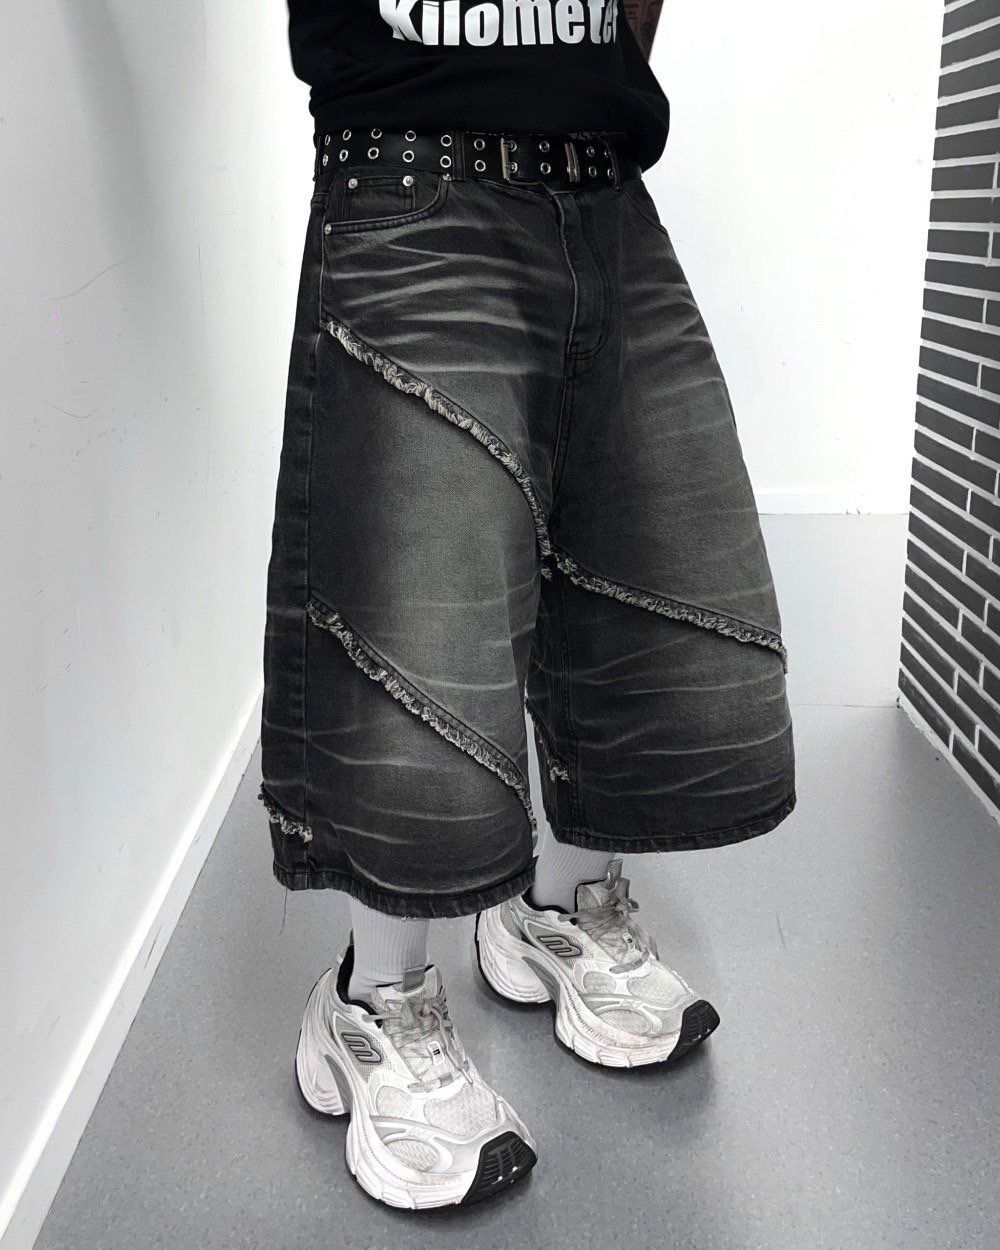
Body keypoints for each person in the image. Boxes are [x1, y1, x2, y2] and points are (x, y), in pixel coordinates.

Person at [260, 0, 796, 1210]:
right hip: (411, 169)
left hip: (605, 185)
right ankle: (372, 1003)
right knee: (415, 618)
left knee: (639, 573)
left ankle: (553, 913)